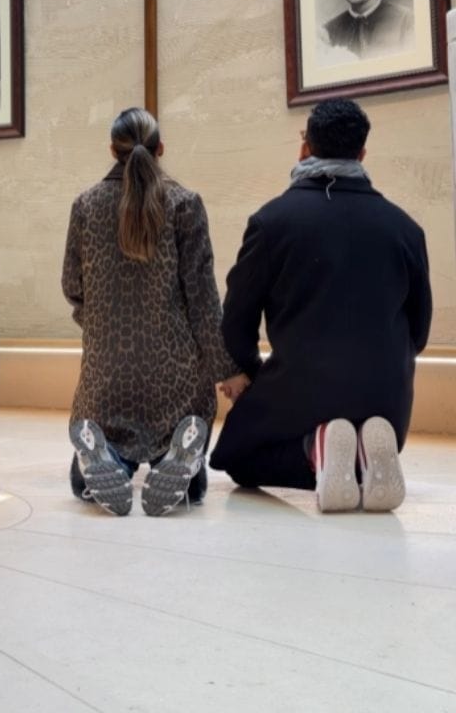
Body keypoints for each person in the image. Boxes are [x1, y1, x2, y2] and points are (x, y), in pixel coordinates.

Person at [210, 99, 431, 513]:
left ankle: (317, 448)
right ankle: (364, 456)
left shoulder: (271, 222)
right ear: (362, 154)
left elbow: (237, 319)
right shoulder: (406, 229)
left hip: (300, 390)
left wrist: (253, 374)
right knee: (367, 432)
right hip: (386, 399)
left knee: (238, 458)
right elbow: (419, 331)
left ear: (304, 148)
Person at [62, 108, 239, 517]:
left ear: (112, 150)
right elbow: (203, 300)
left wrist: (100, 325)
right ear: (161, 149)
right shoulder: (184, 204)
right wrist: (225, 369)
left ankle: (105, 456)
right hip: (175, 383)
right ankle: (180, 457)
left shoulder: (85, 206)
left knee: (82, 479)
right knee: (193, 487)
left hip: (106, 382)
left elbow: (72, 286)